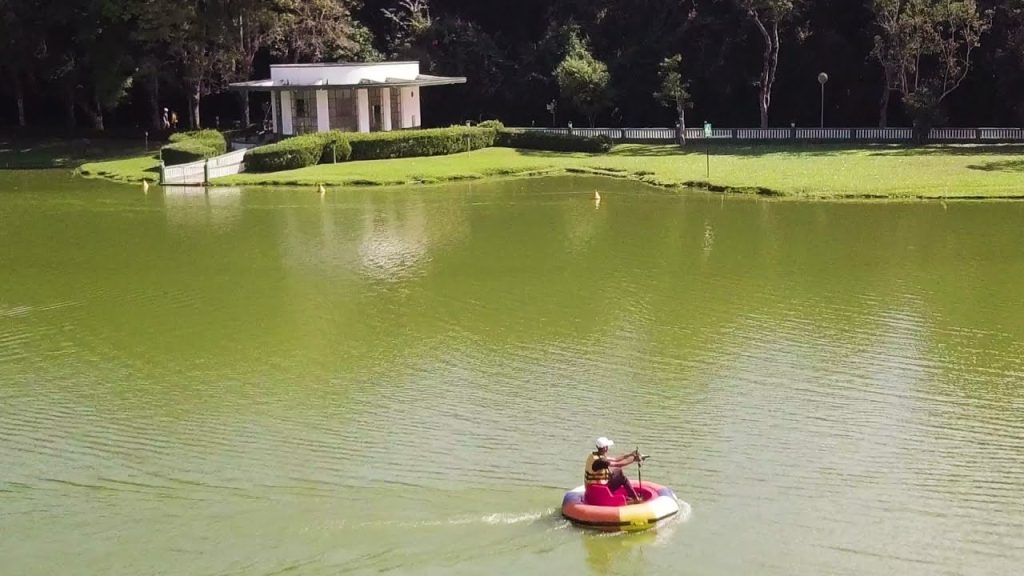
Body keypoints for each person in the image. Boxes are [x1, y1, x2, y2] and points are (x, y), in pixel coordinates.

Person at [585, 437, 643, 504]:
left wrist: (631, 454)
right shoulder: (601, 461)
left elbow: (616, 459)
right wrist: (634, 459)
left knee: (618, 471)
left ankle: (633, 497)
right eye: (607, 446)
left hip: (592, 488)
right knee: (623, 478)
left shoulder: (594, 455)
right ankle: (636, 499)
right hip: (600, 490)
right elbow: (618, 464)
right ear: (605, 448)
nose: (608, 448)